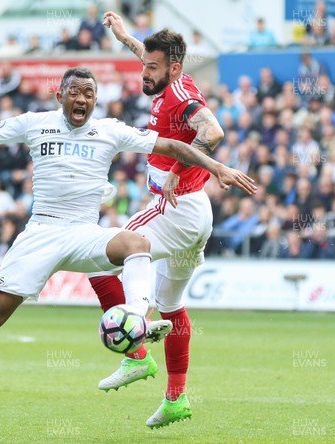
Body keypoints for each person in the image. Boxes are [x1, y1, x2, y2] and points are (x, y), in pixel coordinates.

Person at [0, 67, 256, 434]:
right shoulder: (35, 123)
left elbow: (173, 146)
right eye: (75, 92)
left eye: (89, 94)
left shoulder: (109, 130)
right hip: (41, 231)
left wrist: (217, 167)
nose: (82, 99)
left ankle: (136, 321)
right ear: (59, 95)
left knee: (136, 243)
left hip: (83, 232)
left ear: (95, 100)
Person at [89, 12, 254, 429]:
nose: (144, 73)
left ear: (174, 68)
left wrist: (180, 171)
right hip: (195, 214)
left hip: (175, 207)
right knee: (173, 306)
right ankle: (176, 399)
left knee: (97, 258)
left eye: (152, 67)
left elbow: (212, 130)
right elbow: (144, 55)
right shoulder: (168, 79)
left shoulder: (180, 94)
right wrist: (124, 35)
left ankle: (136, 352)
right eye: (144, 63)